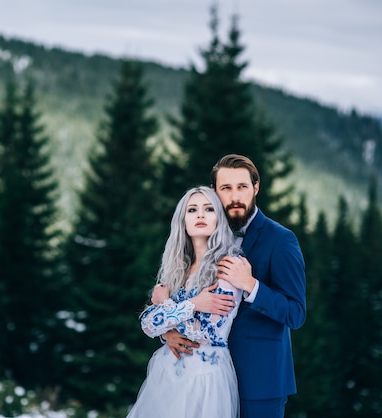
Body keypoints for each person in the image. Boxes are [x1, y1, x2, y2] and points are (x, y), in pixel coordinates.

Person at [162, 154, 307, 418]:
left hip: (260, 381)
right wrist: (169, 331)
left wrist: (252, 286)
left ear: (256, 187)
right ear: (215, 193)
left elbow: (295, 313)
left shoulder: (281, 240)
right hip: (204, 379)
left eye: (242, 187)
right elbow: (185, 296)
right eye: (226, 188)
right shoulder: (203, 234)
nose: (235, 196)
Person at [126, 186, 243, 418]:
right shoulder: (177, 270)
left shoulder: (229, 266)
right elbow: (148, 324)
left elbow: (209, 332)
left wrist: (168, 307)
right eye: (192, 210)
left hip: (205, 377)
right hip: (168, 374)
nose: (200, 215)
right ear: (183, 220)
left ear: (219, 218)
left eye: (209, 209)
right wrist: (186, 312)